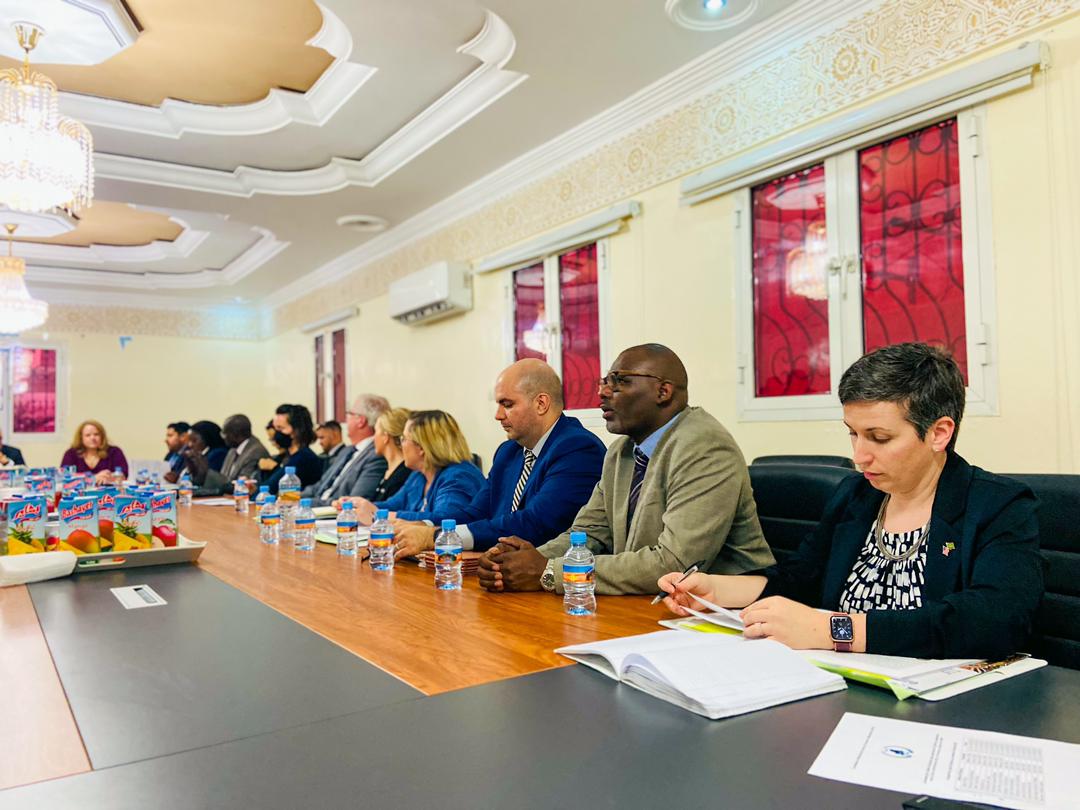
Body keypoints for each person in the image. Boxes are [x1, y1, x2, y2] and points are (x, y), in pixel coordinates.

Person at [659, 342, 1044, 661]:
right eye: (853, 434)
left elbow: (994, 621)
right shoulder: (857, 495)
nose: (859, 456)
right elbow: (801, 578)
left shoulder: (998, 505)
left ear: (939, 433)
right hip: (836, 680)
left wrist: (832, 630)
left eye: (879, 438)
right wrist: (718, 591)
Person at [479, 344, 773, 596]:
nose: (603, 392)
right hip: (647, 601)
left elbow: (674, 563)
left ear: (663, 391)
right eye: (604, 382)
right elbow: (589, 534)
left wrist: (548, 571)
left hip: (726, 613)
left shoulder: (705, 447)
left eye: (619, 381)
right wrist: (515, 564)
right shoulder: (622, 451)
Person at [390, 360, 605, 559]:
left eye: (507, 404)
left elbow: (535, 523)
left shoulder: (578, 449)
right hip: (499, 570)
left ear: (541, 403)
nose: (498, 415)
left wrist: (437, 537)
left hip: (553, 576)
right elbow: (475, 513)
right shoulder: (508, 452)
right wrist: (422, 525)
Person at [349, 410, 484, 524]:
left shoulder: (458, 477)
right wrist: (361, 505)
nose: (401, 445)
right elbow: (394, 504)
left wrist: (381, 516)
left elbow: (444, 520)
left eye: (403, 439)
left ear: (421, 447)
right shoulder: (419, 475)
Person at [301, 395, 390, 505]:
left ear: (361, 421)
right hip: (314, 506)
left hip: (334, 512)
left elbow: (355, 501)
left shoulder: (376, 457)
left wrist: (306, 503)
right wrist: (293, 497)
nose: (346, 419)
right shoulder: (346, 451)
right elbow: (320, 486)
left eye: (349, 414)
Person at [198, 415, 270, 495]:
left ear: (236, 435)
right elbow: (224, 476)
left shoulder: (256, 452)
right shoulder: (233, 449)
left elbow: (242, 484)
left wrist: (206, 472)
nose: (223, 437)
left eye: (224, 434)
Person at [261, 404, 322, 494]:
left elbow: (273, 487)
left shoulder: (304, 458)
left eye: (280, 428)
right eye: (275, 428)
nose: (276, 434)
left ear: (297, 431)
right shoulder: (284, 457)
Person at [60, 420, 129, 484]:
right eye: (88, 435)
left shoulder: (114, 452)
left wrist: (110, 477)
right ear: (81, 438)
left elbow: (123, 475)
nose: (92, 438)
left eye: (96, 434)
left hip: (109, 492)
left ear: (102, 436)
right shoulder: (71, 454)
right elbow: (65, 478)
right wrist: (93, 478)